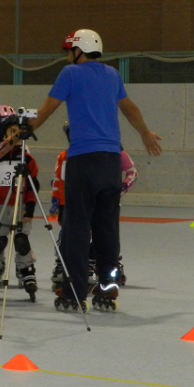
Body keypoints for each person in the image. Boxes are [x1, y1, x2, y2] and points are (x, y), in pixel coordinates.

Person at [29, 29, 162, 313]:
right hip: (111, 160)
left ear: (79, 50)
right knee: (107, 227)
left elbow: (47, 109)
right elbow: (129, 108)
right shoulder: (112, 75)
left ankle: (74, 292)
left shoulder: (70, 73)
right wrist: (145, 134)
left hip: (83, 159)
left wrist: (23, 132)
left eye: (70, 50)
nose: (68, 55)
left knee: (76, 228)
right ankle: (108, 285)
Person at [49, 122, 137, 290]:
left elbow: (132, 171)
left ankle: (105, 268)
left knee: (103, 234)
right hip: (78, 200)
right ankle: (74, 265)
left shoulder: (116, 151)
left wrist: (122, 188)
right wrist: (56, 201)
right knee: (76, 233)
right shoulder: (69, 155)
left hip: (103, 200)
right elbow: (58, 179)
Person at [0, 116, 40, 301]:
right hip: (1, 205)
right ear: (4, 134)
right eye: (12, 132)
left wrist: (30, 207)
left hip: (20, 204)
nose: (15, 136)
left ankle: (26, 269)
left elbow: (32, 186)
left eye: (18, 133)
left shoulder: (28, 160)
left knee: (21, 240)